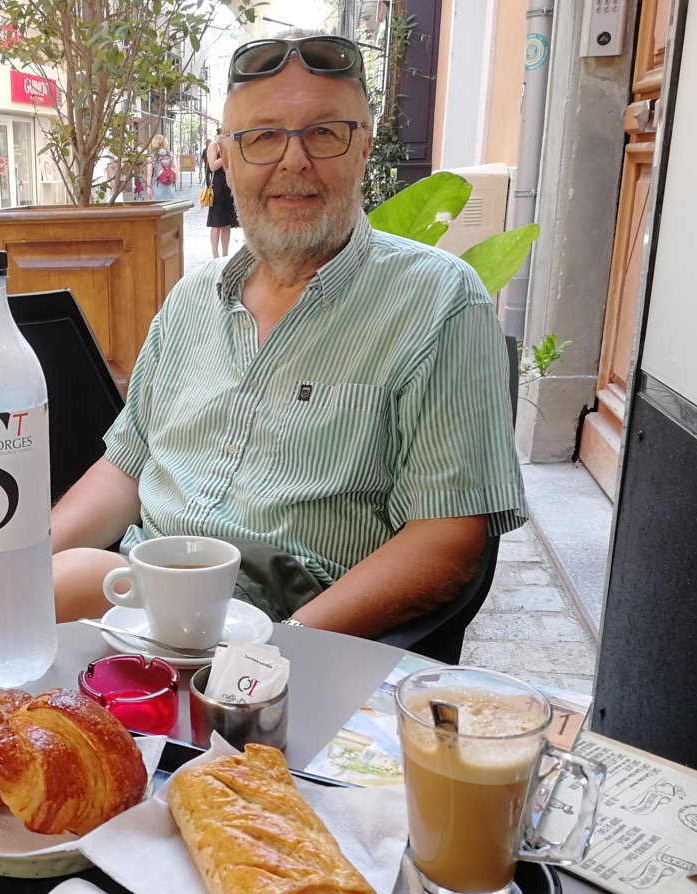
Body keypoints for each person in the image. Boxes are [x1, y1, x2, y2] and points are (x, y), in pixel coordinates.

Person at [49, 32, 527, 640]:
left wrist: (269, 655)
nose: (293, 160)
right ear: (226, 156)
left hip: (299, 628)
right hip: (144, 597)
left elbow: (447, 541)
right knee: (20, 594)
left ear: (364, 147)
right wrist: (17, 560)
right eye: (263, 136)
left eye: (324, 132)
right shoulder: (191, 301)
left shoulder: (438, 301)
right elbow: (127, 468)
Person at [206, 127, 240, 257]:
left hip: (229, 186)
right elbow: (213, 166)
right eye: (226, 133)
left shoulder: (230, 146)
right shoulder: (214, 145)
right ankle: (215, 254)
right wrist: (226, 155)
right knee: (217, 222)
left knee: (227, 223)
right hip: (218, 186)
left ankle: (225, 254)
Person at [145, 133, 176, 201]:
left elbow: (149, 173)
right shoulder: (171, 155)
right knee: (169, 204)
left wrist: (148, 186)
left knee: (159, 204)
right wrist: (174, 182)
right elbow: (175, 170)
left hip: (157, 183)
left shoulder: (152, 157)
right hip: (169, 183)